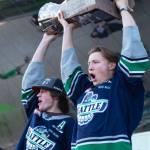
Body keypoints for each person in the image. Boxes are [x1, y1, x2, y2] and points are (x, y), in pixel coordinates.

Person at [58, 0, 150, 149]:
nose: (90, 68)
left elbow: (132, 47)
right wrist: (67, 29)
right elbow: (68, 66)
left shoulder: (122, 84)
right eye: (88, 64)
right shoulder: (83, 90)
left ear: (112, 65)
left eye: (95, 62)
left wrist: (123, 8)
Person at [16, 33, 75, 150]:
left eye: (43, 92)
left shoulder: (70, 125)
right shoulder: (36, 111)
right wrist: (45, 40)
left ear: (56, 96)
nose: (38, 94)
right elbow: (30, 80)